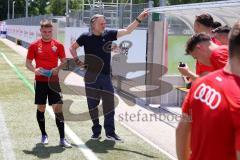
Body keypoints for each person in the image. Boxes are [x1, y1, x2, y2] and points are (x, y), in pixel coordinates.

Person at [69, 11, 148, 141]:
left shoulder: (109, 34)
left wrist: (139, 19)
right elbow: (72, 48)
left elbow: (128, 30)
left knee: (109, 104)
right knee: (92, 105)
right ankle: (96, 130)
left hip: (106, 76)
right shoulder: (85, 37)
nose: (104, 25)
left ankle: (110, 133)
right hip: (90, 76)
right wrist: (77, 61)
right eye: (101, 23)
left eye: (105, 23)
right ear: (93, 24)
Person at [176, 21, 240, 160]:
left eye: (196, 57)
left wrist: (188, 74)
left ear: (199, 47)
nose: (199, 61)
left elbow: (182, 130)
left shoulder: (217, 56)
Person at [25, 19, 71, 147]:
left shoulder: (58, 45)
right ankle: (44, 134)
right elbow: (27, 63)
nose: (47, 34)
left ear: (52, 31)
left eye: (49, 31)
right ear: (40, 31)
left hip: (54, 82)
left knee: (58, 108)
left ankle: (62, 138)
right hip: (40, 82)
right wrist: (35, 70)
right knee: (41, 108)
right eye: (44, 31)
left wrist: (58, 68)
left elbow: (64, 61)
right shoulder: (34, 45)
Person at [178, 14, 222, 81]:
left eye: (196, 57)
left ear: (197, 25)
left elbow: (207, 81)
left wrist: (188, 73)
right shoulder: (219, 43)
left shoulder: (205, 48)